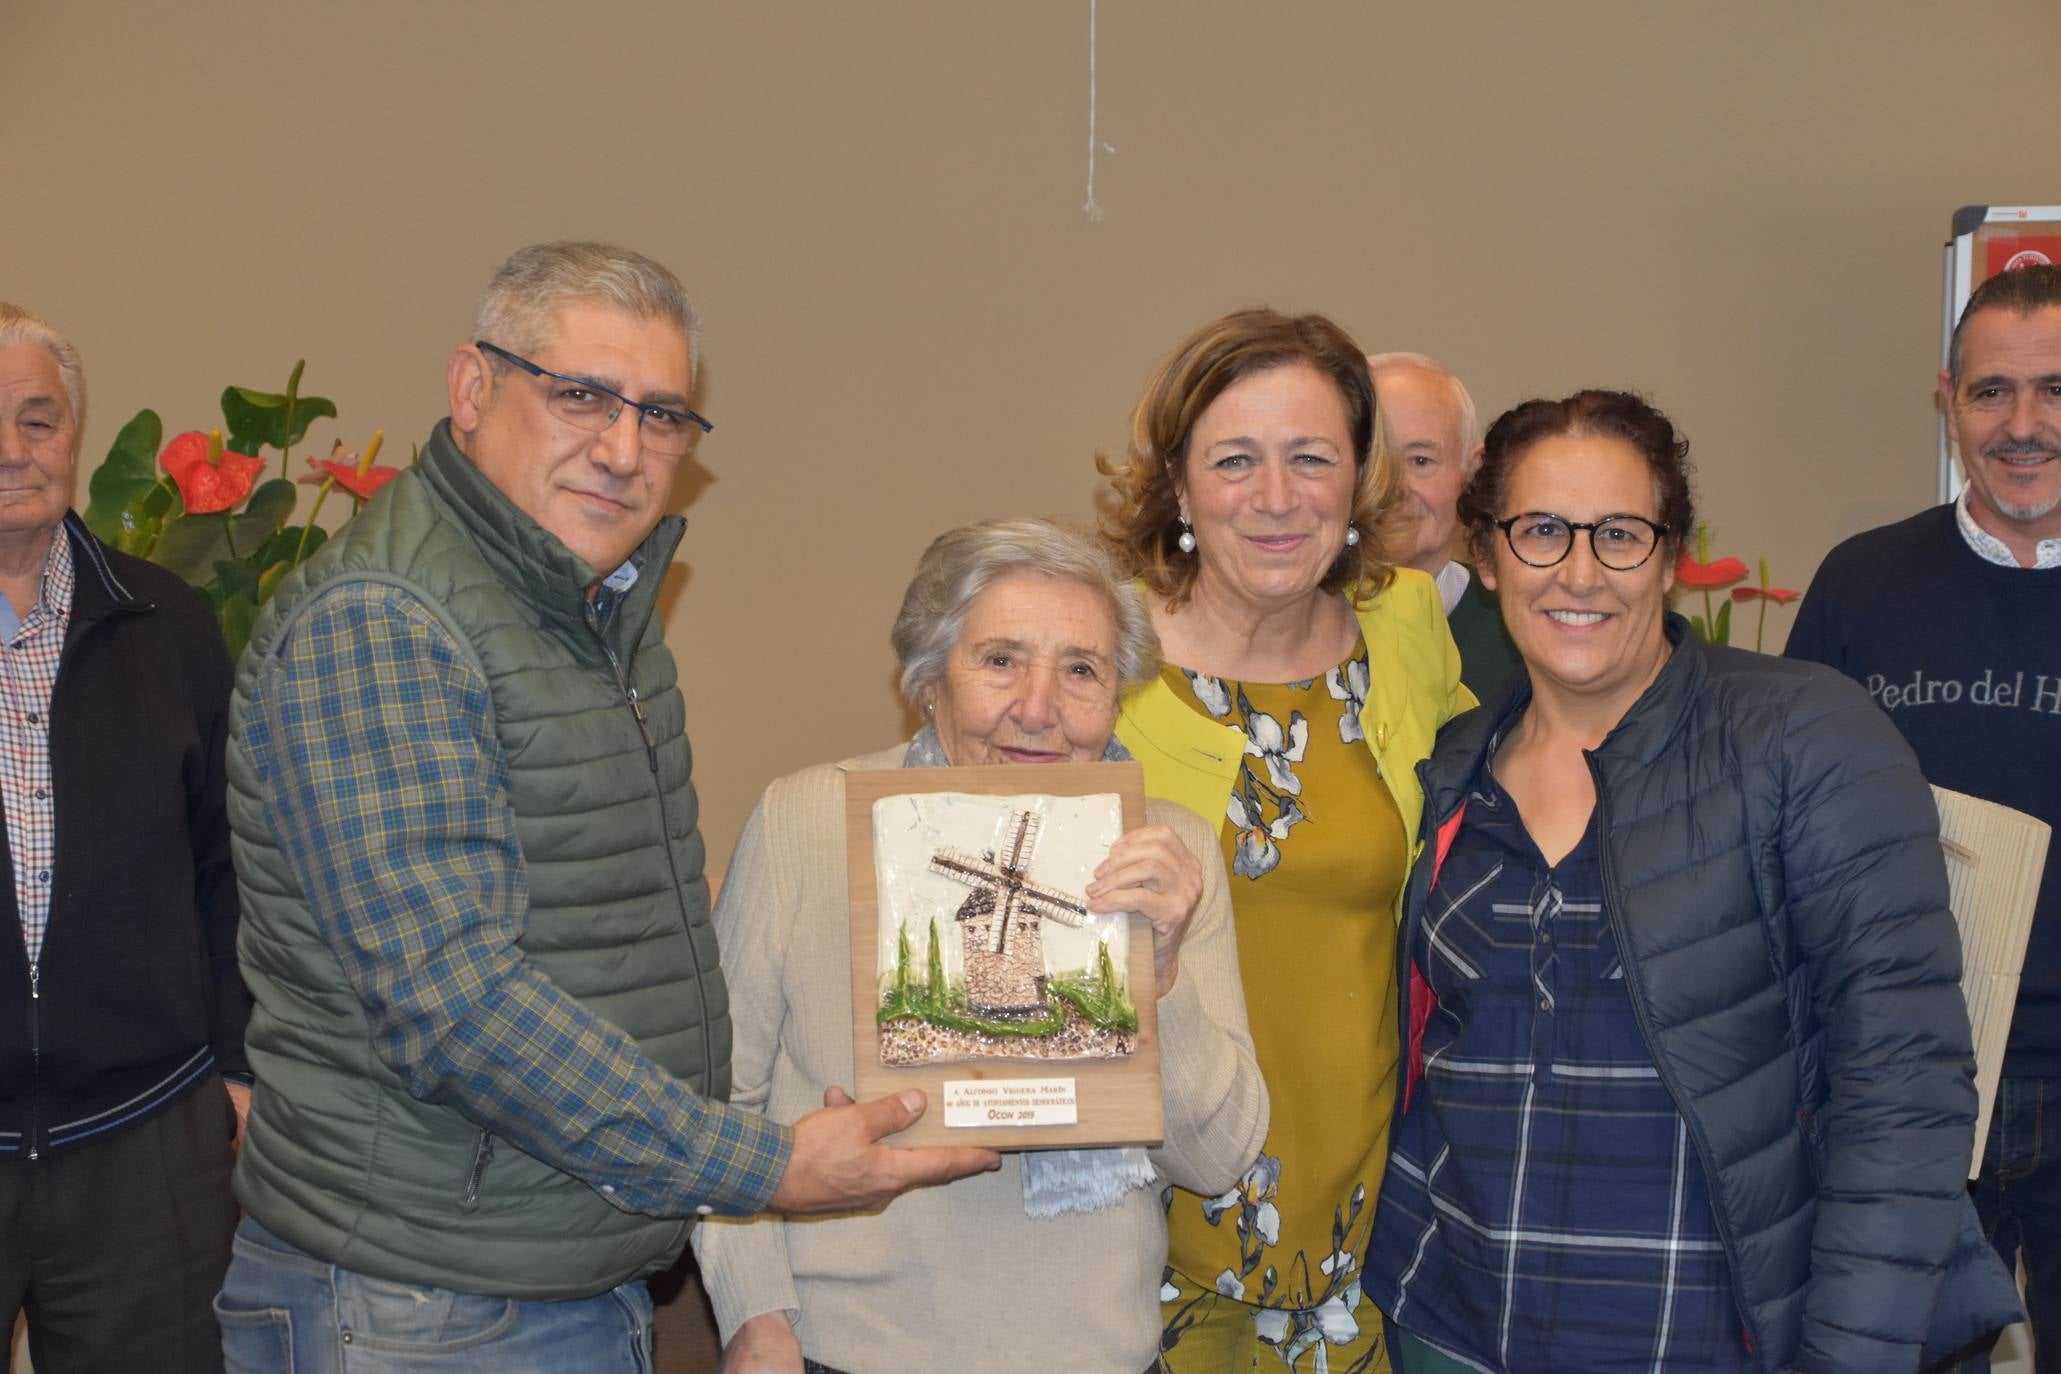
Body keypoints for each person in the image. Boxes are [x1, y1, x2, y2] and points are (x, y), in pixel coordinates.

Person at [214, 242, 997, 1371]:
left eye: (663, 415)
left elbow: (610, 924)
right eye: (580, 396)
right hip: (418, 1308)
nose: (624, 449)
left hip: (542, 1281)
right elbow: (458, 1003)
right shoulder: (385, 624)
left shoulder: (595, 613)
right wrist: (766, 1165)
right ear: (473, 389)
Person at [1363, 389, 2021, 1373]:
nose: (1579, 571)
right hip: (1450, 1323)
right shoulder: (1457, 763)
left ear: (1671, 558)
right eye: (1542, 530)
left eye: (1620, 534)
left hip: (1700, 1337)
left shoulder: (1805, 741)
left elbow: (1903, 1098)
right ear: (1488, 554)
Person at [693, 517, 1267, 1374]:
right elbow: (716, 1106)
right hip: (845, 1350)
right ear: (927, 679)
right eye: (1000, 660)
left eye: (1080, 669)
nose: (1037, 708)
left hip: (1097, 1355)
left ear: (1117, 695)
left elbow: (1218, 1159)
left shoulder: (1163, 854)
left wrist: (1162, 969)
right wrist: (755, 1317)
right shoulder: (804, 821)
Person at [1099, 308, 1472, 1371]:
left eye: (1312, 458)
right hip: (1140, 1225)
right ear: (1177, 485)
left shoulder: (1404, 625)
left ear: (1358, 484)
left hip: (1373, 1221)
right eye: (1234, 460)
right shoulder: (1093, 654)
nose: (1275, 498)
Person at [1786, 263, 2061, 1372]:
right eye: (1993, 391)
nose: (2025, 424)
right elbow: (1793, 828)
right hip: (1913, 1078)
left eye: (2056, 389)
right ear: (1946, 401)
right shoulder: (1862, 584)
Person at [0, 305, 245, 1374]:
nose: (12, 451)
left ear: (76, 436)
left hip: (145, 1147)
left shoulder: (170, 627)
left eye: (37, 419)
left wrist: (238, 1065)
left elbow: (230, 866)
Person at [1368, 351, 1519, 701]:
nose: (1394, 487)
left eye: (1421, 460)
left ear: (1471, 472)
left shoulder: (1524, 630)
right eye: (1374, 459)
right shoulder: (1287, 624)